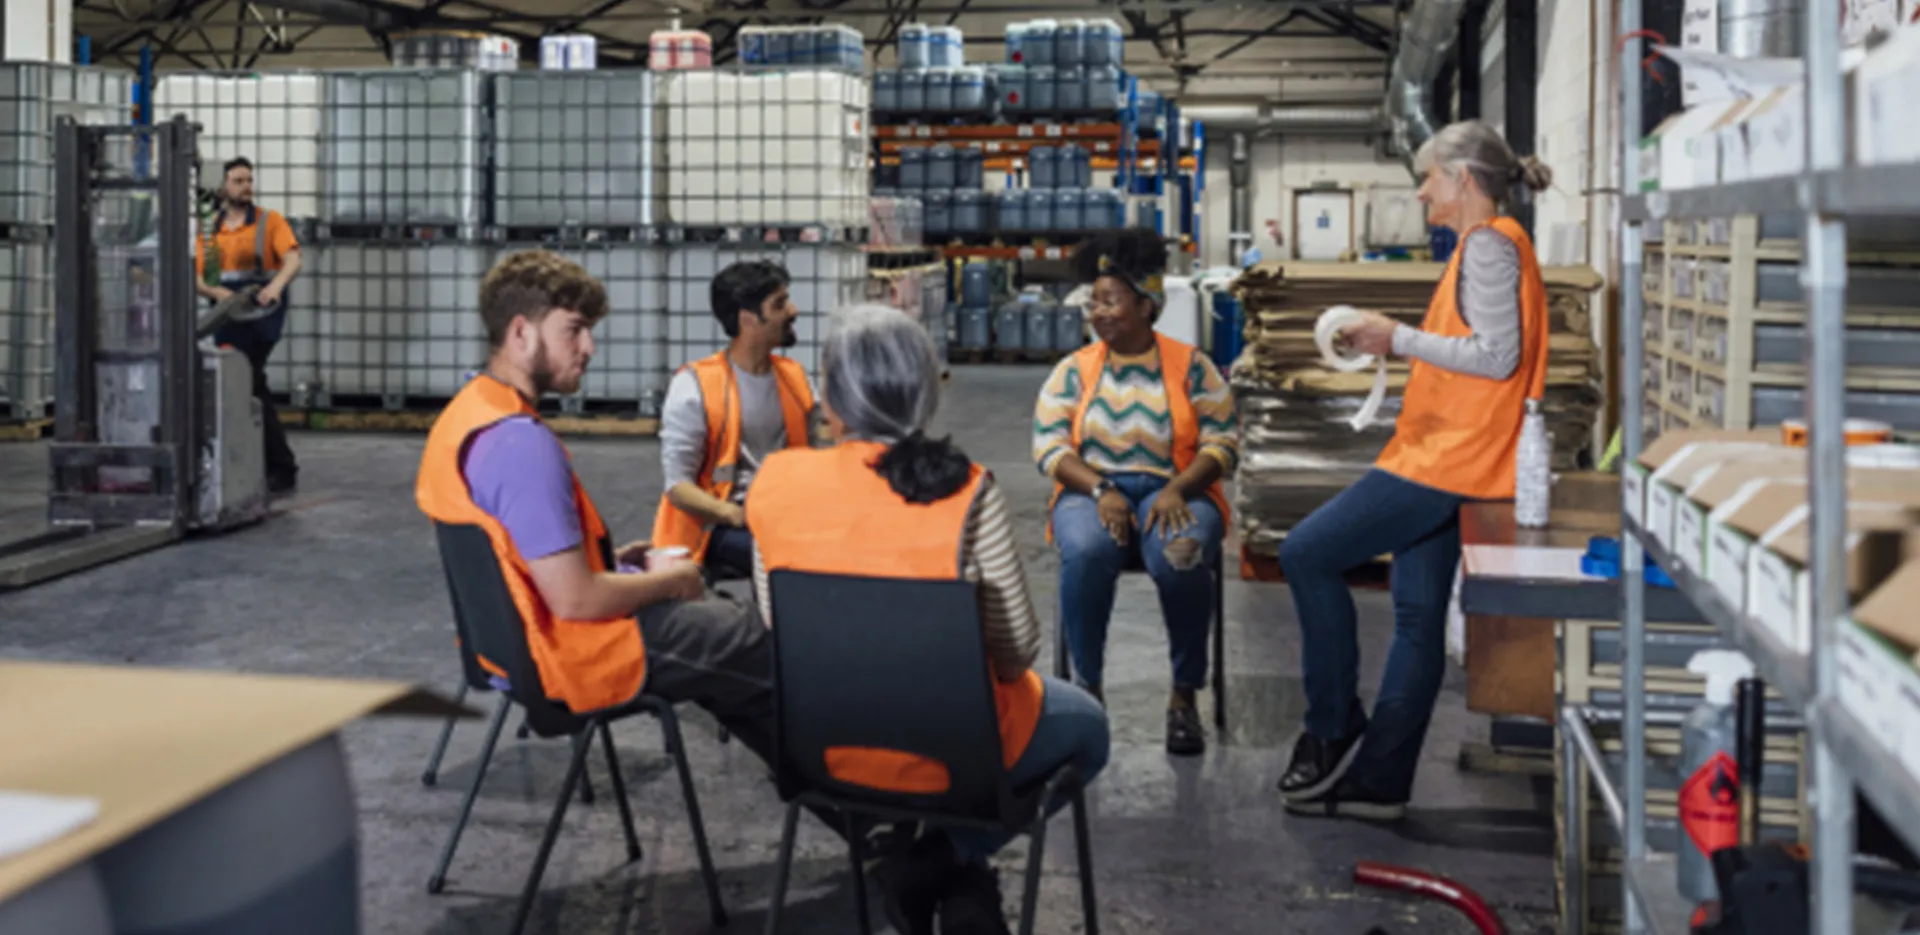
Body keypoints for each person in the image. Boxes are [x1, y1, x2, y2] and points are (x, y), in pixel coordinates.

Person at [747, 305, 1110, 935]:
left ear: (830, 397)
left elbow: (779, 623)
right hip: (954, 755)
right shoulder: (966, 494)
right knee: (1090, 728)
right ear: (925, 393)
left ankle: (943, 870)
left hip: (820, 745)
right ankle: (947, 859)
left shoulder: (774, 484)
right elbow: (1016, 651)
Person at [414, 249, 801, 812]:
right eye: (574, 331)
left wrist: (616, 563)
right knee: (749, 638)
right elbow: (575, 598)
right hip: (574, 655)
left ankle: (841, 801)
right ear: (521, 332)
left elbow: (521, 563)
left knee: (725, 650)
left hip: (515, 647)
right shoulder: (522, 445)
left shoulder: (470, 415)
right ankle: (864, 805)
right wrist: (675, 581)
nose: (589, 348)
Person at [1276, 120, 1554, 820]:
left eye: (1429, 177)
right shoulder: (1494, 244)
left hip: (1447, 460)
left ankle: (1333, 722)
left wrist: (1392, 338)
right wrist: (1398, 336)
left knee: (1306, 552)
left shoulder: (1488, 247)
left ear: (1464, 180)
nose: (1422, 190)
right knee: (1417, 616)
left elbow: (1496, 356)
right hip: (1464, 457)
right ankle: (1381, 780)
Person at [1030, 230, 1239, 757]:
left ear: (1147, 306)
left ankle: (1184, 696)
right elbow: (1048, 448)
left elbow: (1224, 442)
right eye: (1093, 301)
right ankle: (1087, 692)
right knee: (1086, 551)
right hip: (1091, 492)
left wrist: (1178, 487)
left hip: (1179, 489)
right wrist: (1101, 487)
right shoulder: (1072, 371)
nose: (1097, 312)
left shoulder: (1193, 367)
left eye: (1111, 300)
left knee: (1181, 554)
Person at [651, 260, 817, 579]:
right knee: (783, 552)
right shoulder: (695, 386)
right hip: (712, 527)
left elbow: (807, 462)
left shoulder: (796, 380)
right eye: (780, 304)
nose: (793, 311)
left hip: (777, 518)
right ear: (748, 319)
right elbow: (677, 487)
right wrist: (738, 515)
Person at [195, 156, 303, 493]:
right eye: (238, 181)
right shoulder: (210, 228)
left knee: (248, 379)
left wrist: (275, 287)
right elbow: (200, 278)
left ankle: (281, 468)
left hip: (261, 312)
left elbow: (293, 258)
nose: (246, 187)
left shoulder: (269, 222)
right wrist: (221, 294)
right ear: (223, 187)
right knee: (245, 385)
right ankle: (265, 465)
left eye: (249, 181)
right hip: (228, 313)